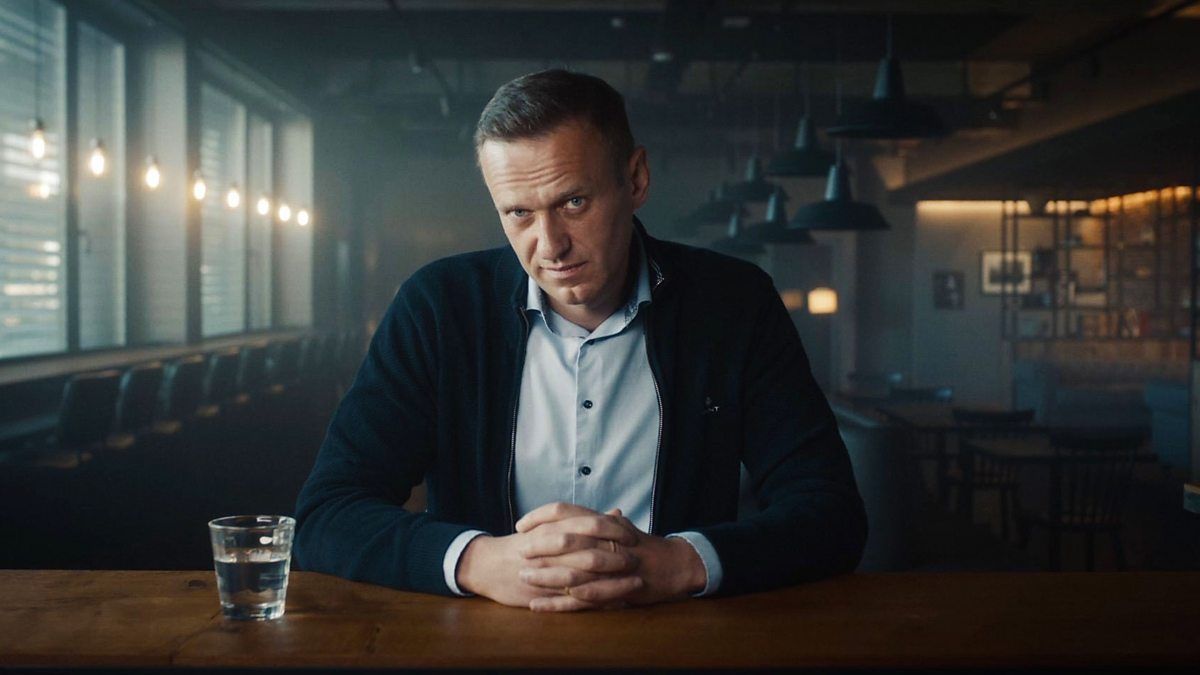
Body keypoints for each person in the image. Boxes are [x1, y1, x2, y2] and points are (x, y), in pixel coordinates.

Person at [294, 69, 867, 612]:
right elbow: (328, 513)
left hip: (683, 642)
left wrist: (682, 564)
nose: (550, 246)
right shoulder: (438, 307)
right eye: (519, 212)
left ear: (636, 179)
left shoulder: (735, 303)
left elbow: (831, 514)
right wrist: (477, 561)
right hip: (482, 645)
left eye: (574, 202)